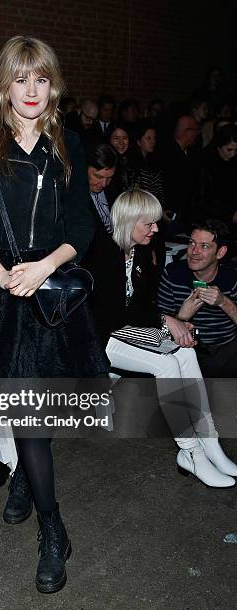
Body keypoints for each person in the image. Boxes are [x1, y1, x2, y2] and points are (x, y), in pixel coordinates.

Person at [0, 35, 108, 593]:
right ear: (4, 84)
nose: (31, 90)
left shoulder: (68, 142)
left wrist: (44, 266)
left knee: (36, 415)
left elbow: (83, 225)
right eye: (20, 78)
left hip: (49, 294)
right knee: (16, 406)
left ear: (53, 84)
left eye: (41, 78)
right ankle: (31, 493)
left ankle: (51, 525)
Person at [87, 189, 237, 487]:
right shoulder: (101, 252)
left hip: (128, 330)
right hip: (100, 338)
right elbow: (111, 315)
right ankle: (189, 451)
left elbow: (142, 304)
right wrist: (166, 320)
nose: (156, 229)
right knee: (166, 365)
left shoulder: (141, 250)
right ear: (130, 220)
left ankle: (208, 441)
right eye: (150, 223)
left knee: (185, 351)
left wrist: (173, 324)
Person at [158, 220, 237, 377]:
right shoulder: (173, 273)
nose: (194, 251)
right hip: (185, 350)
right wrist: (181, 317)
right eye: (191, 243)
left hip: (226, 351)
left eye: (204, 246)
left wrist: (223, 302)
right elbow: (157, 327)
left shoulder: (232, 278)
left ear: (220, 252)